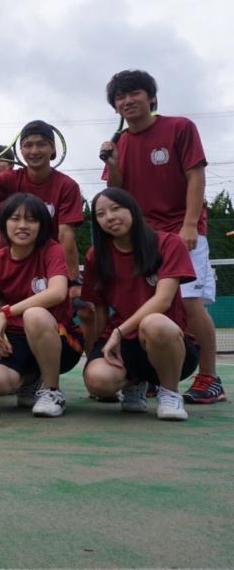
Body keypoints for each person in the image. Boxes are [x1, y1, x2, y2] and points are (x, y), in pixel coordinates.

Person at [100, 69, 224, 404]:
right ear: (115, 106)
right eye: (120, 97)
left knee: (189, 302)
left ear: (152, 97)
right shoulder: (119, 143)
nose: (127, 101)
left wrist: (190, 223)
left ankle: (209, 378)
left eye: (135, 93)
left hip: (183, 232)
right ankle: (155, 375)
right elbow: (116, 194)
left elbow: (196, 175)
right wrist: (114, 164)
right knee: (150, 306)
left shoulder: (180, 127)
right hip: (143, 239)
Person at [81, 188, 200, 420]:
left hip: (166, 342)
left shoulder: (168, 243)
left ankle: (170, 393)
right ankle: (134, 382)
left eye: (116, 208)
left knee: (154, 323)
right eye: (101, 214)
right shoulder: (96, 256)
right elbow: (100, 310)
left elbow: (163, 300)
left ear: (133, 209)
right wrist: (97, 351)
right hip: (124, 343)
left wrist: (119, 331)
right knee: (97, 380)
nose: (110, 217)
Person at [0, 194, 83, 417]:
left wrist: (8, 312)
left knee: (34, 314)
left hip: (58, 335)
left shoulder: (52, 250)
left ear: (42, 225)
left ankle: (52, 391)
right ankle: (32, 379)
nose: (22, 225)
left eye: (31, 219)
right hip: (17, 338)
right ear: (4, 224)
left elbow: (57, 292)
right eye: (15, 218)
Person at [0, 120, 84, 298]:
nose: (34, 151)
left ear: (53, 149)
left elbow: (65, 235)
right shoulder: (9, 179)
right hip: (14, 265)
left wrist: (72, 280)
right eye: (28, 145)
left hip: (50, 266)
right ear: (20, 150)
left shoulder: (67, 186)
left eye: (41, 144)